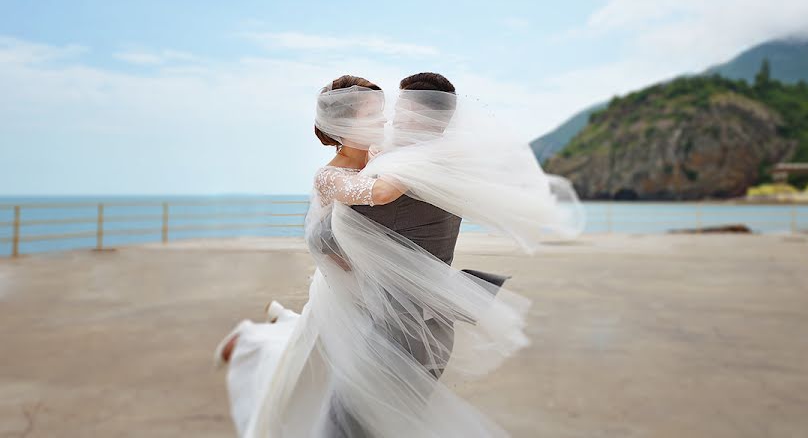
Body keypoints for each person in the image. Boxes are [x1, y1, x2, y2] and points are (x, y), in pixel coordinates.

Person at [215, 72, 582, 437]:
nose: (386, 120)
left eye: (386, 110)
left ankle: (270, 330)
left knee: (327, 400)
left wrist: (423, 157)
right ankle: (259, 337)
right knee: (306, 390)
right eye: (373, 114)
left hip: (367, 307)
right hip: (345, 302)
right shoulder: (332, 177)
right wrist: (421, 160)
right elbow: (380, 194)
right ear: (342, 122)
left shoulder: (386, 158)